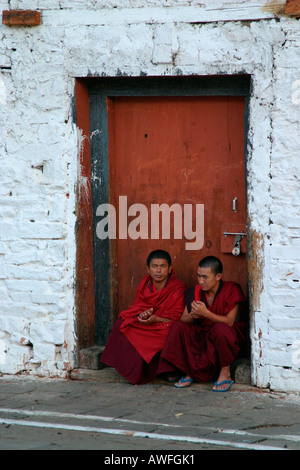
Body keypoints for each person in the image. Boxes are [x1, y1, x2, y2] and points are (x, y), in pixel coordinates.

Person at [157, 256, 246, 392]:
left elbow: (229, 322)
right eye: (198, 276)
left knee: (221, 329)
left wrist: (206, 314)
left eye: (205, 277)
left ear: (218, 276)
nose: (201, 281)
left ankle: (225, 372)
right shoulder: (196, 292)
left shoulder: (231, 289)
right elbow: (183, 318)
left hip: (224, 340)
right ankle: (190, 370)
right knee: (178, 327)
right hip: (203, 336)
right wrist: (193, 314)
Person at [100, 249, 186, 385]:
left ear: (170, 269)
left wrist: (157, 319)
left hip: (164, 325)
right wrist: (142, 315)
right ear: (148, 269)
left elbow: (179, 317)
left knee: (175, 330)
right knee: (122, 324)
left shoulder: (177, 288)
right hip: (148, 323)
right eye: (154, 266)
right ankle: (133, 370)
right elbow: (138, 306)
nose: (158, 271)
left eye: (163, 266)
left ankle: (166, 370)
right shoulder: (145, 284)